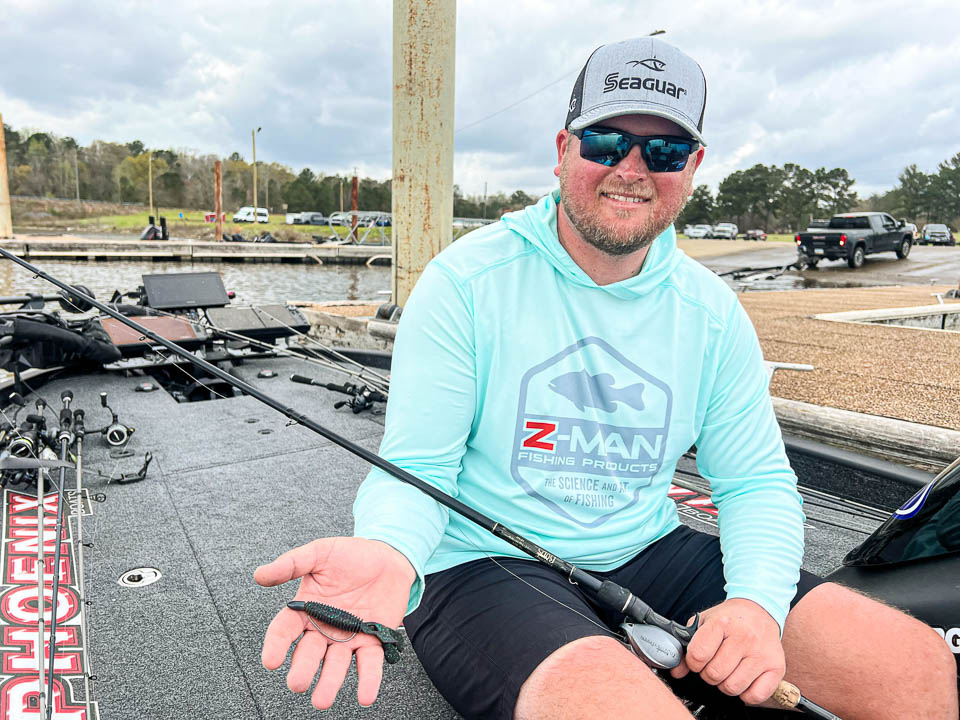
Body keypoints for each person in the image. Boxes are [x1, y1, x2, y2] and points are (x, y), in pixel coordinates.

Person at [255, 37, 958, 719]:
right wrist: (388, 549)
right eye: (605, 142)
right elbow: (419, 465)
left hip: (647, 548)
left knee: (914, 664)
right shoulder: (466, 282)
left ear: (692, 166)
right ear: (563, 150)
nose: (632, 167)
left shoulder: (711, 312)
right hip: (481, 561)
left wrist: (754, 606)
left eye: (664, 150)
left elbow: (755, 482)